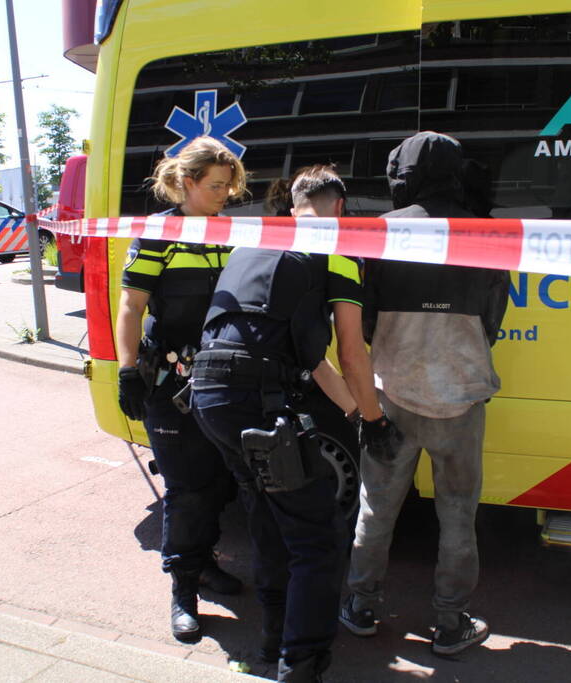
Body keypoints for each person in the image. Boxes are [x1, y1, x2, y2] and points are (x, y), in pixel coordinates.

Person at [191, 165, 400, 682]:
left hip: (207, 395)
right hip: (256, 399)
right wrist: (374, 421)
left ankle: (271, 638)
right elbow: (351, 354)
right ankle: (300, 664)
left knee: (267, 515)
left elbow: (311, 360)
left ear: (292, 208)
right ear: (341, 211)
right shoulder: (340, 252)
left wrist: (353, 412)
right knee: (317, 538)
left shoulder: (254, 243)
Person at [339, 132, 510, 656]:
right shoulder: (484, 232)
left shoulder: (381, 231)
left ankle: (362, 605)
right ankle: (450, 621)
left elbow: (361, 322)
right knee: (458, 513)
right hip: (461, 397)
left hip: (392, 395)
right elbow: (494, 315)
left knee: (377, 506)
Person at [115, 136, 248, 643]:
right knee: (189, 488)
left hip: (222, 378)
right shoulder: (159, 236)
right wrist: (127, 370)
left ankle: (205, 563)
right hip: (171, 381)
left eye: (229, 186)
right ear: (187, 183)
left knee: (220, 482)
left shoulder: (232, 232)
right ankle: (183, 591)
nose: (225, 194)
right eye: (216, 186)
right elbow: (132, 307)